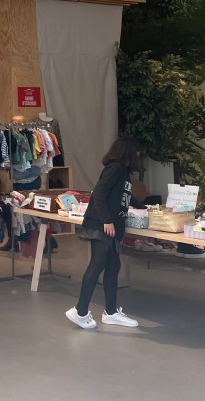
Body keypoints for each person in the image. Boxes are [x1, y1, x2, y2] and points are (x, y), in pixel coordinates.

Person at [66, 136, 146, 330]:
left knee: (113, 266)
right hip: (102, 226)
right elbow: (99, 193)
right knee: (97, 264)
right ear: (128, 152)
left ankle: (110, 312)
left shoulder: (122, 173)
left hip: (111, 227)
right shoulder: (115, 169)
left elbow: (125, 196)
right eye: (136, 152)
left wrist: (145, 206)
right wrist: (107, 220)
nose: (138, 156)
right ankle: (80, 311)